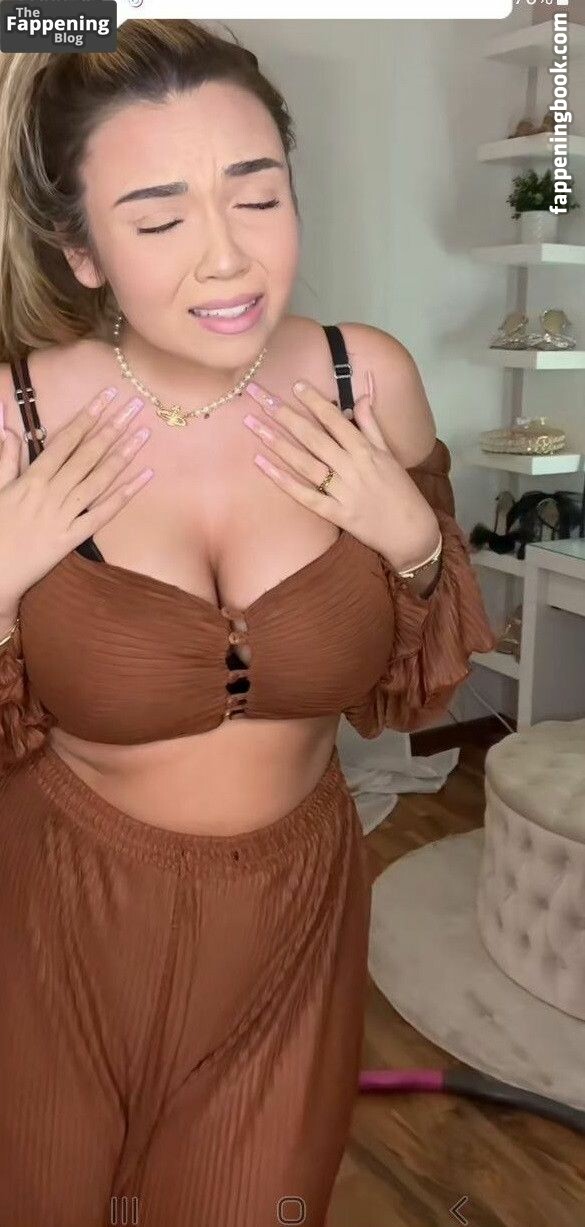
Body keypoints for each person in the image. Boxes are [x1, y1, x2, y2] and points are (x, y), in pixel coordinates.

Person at [0, 19, 495, 1227]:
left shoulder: (366, 383)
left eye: (258, 197)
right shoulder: (16, 418)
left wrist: (413, 539)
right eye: (160, 220)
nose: (227, 259)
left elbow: (416, 664)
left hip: (289, 920)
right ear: (82, 252)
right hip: (60, 919)